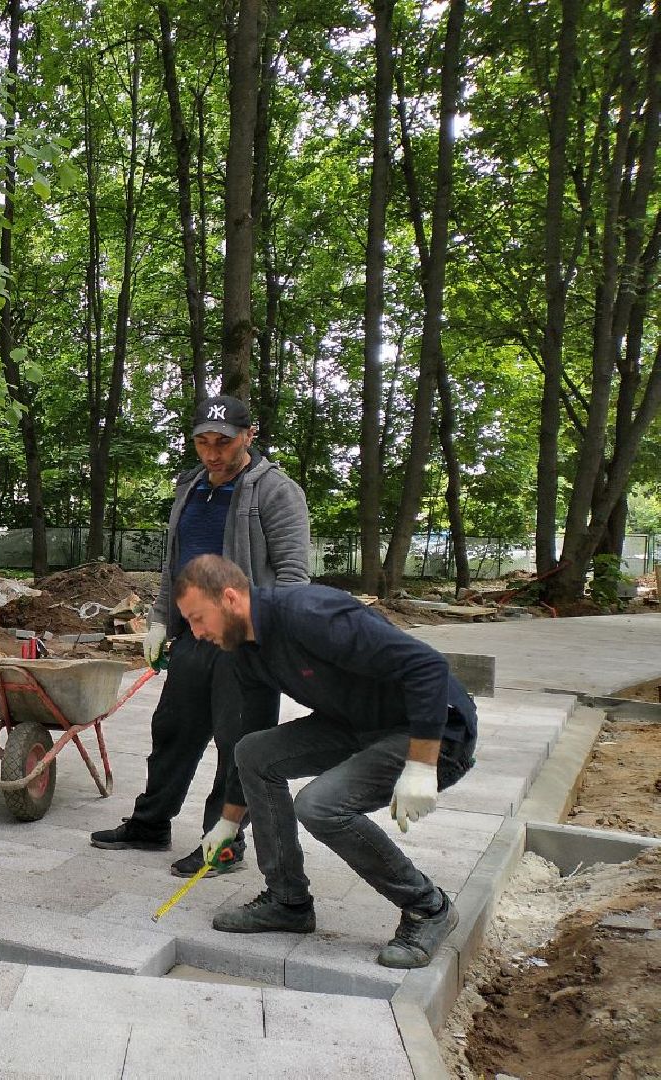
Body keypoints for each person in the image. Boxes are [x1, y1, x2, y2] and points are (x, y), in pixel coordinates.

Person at [173, 554, 478, 969]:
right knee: (255, 753)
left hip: (432, 732)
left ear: (229, 598)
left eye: (197, 618)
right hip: (355, 725)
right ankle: (287, 901)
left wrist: (421, 766)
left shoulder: (309, 614)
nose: (196, 632)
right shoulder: (243, 650)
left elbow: (428, 667)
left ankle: (428, 906)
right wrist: (228, 822)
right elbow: (251, 741)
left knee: (319, 806)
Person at [90, 395, 310, 878]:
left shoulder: (276, 492)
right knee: (172, 731)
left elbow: (293, 574)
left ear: (249, 437)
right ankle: (151, 824)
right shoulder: (190, 486)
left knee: (238, 745)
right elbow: (176, 563)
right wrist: (162, 618)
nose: (213, 453)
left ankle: (224, 845)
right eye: (203, 442)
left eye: (224, 442)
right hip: (194, 637)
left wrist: (276, 634)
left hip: (245, 641)